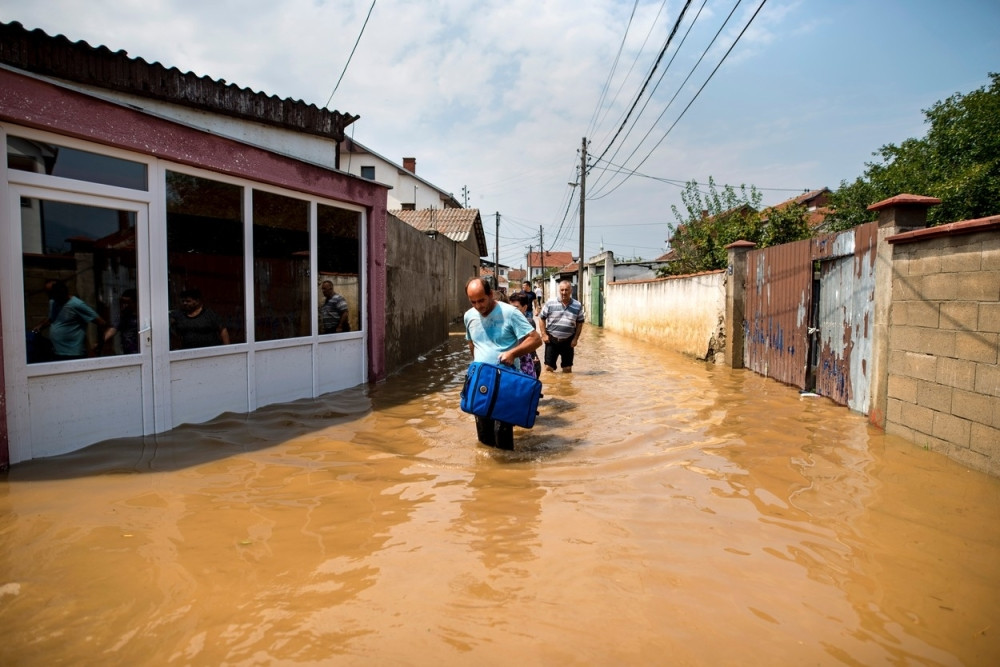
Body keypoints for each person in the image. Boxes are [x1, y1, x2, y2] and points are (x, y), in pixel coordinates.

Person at [464, 277, 542, 449]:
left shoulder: (510, 313)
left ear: (491, 294)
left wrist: (513, 353)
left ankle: (508, 465)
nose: (478, 306)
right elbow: (472, 345)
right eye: (473, 302)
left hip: (505, 383)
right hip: (481, 382)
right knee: (484, 437)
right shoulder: (469, 316)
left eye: (481, 300)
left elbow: (536, 340)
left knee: (503, 436)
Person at [31, 279, 107, 361]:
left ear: (61, 292)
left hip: (73, 354)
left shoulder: (76, 304)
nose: (50, 297)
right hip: (56, 351)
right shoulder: (53, 302)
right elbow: (51, 319)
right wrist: (39, 326)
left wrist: (99, 344)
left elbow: (101, 322)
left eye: (51, 293)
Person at [538, 279, 585, 373]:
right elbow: (541, 318)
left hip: (568, 341)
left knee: (567, 370)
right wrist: (543, 334)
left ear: (571, 291)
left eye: (566, 290)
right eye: (562, 290)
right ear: (559, 291)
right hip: (551, 340)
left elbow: (580, 322)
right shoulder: (550, 303)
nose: (564, 292)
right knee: (548, 369)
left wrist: (575, 339)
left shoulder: (577, 305)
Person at [509, 291, 541, 378]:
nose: (512, 311)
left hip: (527, 364)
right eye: (510, 308)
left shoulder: (528, 323)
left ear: (525, 308)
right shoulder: (508, 322)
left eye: (516, 308)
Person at [101, 288, 139, 355]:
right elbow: (113, 329)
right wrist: (100, 343)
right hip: (128, 353)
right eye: (123, 302)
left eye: (128, 303)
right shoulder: (124, 316)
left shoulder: (143, 316)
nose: (124, 305)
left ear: (135, 302)